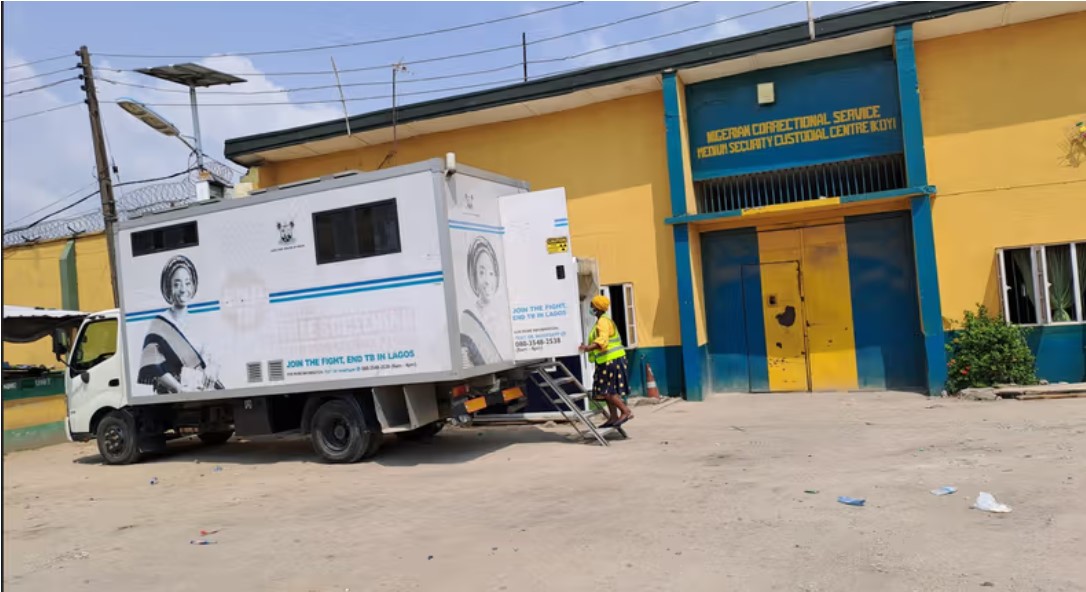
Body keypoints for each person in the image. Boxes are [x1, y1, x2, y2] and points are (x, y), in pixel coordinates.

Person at [137, 255, 223, 394]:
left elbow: (213, 356)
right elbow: (153, 365)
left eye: (187, 283)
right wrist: (178, 388)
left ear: (193, 286)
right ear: (169, 289)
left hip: (202, 393)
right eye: (177, 284)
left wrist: (213, 368)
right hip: (171, 395)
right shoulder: (159, 324)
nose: (183, 289)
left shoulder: (200, 322)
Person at [579, 295, 633, 427]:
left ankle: (626, 411)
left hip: (611, 360)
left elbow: (602, 340)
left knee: (607, 391)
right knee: (606, 392)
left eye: (592, 306)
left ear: (597, 308)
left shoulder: (603, 321)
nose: (590, 308)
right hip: (606, 360)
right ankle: (613, 417)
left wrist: (587, 348)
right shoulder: (602, 320)